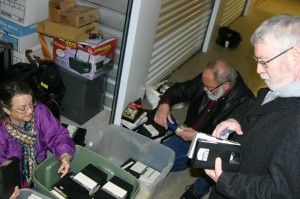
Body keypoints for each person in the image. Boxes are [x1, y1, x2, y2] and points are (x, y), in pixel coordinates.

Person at [205, 14, 300, 198]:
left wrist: (226, 181)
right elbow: (257, 101)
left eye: (264, 61)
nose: (258, 70)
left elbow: (281, 192)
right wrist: (236, 118)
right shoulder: (283, 83)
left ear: (295, 55)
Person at [154, 58, 254, 199]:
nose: (204, 89)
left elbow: (231, 145)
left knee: (216, 166)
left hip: (213, 148)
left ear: (226, 86)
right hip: (187, 136)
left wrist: (198, 137)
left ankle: (200, 187)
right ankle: (189, 160)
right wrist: (165, 103)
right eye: (203, 84)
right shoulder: (206, 81)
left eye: (208, 87)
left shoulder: (244, 102)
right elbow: (180, 90)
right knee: (159, 160)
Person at [0, 79, 75, 197]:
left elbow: (57, 134)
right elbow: (3, 172)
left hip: (38, 173)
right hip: (15, 186)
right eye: (22, 108)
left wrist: (64, 154)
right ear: (6, 109)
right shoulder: (1, 133)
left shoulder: (39, 111)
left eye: (31, 103)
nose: (30, 110)